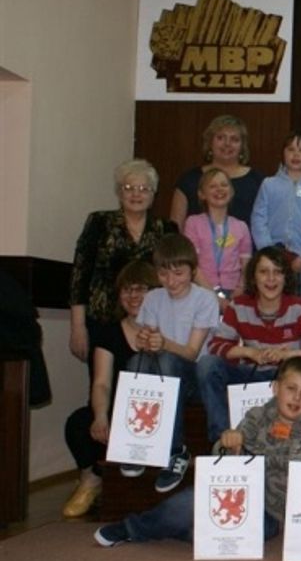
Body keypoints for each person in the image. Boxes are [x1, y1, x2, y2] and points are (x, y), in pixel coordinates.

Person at [94, 357, 301, 547]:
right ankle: (131, 529)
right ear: (276, 388)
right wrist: (228, 445)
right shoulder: (256, 416)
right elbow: (223, 459)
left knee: (246, 533)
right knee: (192, 500)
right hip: (247, 494)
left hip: (283, 514)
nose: (297, 397)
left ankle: (194, 534)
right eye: (291, 388)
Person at [197, 246, 301, 441]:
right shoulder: (238, 305)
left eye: (277, 272)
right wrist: (249, 353)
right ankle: (222, 440)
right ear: (253, 277)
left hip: (289, 380)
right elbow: (215, 346)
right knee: (207, 364)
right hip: (250, 375)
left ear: (286, 277)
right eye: (264, 272)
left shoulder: (298, 306)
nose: (270, 279)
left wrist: (288, 356)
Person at [61, 261, 158, 518]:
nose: (133, 296)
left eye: (141, 289)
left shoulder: (166, 331)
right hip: (117, 412)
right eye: (127, 290)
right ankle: (91, 479)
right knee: (79, 423)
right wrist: (102, 415)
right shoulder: (107, 333)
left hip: (153, 417)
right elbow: (101, 383)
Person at [129, 233, 219, 492]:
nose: (171, 281)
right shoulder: (154, 298)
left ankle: (175, 450)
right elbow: (146, 340)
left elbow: (191, 352)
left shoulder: (204, 299)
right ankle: (137, 442)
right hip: (164, 369)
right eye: (164, 274)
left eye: (178, 273)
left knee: (167, 361)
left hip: (194, 378)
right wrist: (145, 340)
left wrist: (162, 343)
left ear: (192, 271)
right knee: (136, 359)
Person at [69, 159, 177, 364]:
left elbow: (175, 275)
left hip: (152, 324)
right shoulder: (99, 222)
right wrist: (77, 326)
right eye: (129, 188)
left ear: (153, 194)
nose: (136, 194)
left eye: (144, 188)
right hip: (103, 318)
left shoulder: (167, 228)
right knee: (103, 384)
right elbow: (79, 274)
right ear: (119, 192)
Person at [250, 132, 301, 291]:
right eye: (291, 149)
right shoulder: (269, 184)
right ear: (283, 154)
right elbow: (258, 219)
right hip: (272, 257)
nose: (296, 154)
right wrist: (268, 252)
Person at [170, 115, 265, 228]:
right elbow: (175, 230)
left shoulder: (258, 181)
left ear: (242, 147)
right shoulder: (189, 180)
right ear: (210, 142)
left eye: (234, 139)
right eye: (220, 138)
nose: (227, 144)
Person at [182, 167, 253, 301]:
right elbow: (192, 263)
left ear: (231, 192)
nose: (219, 189)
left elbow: (246, 264)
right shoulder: (193, 223)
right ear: (202, 194)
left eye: (224, 185)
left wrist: (241, 288)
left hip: (234, 292)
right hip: (202, 290)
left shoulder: (241, 226)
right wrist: (213, 296)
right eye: (213, 186)